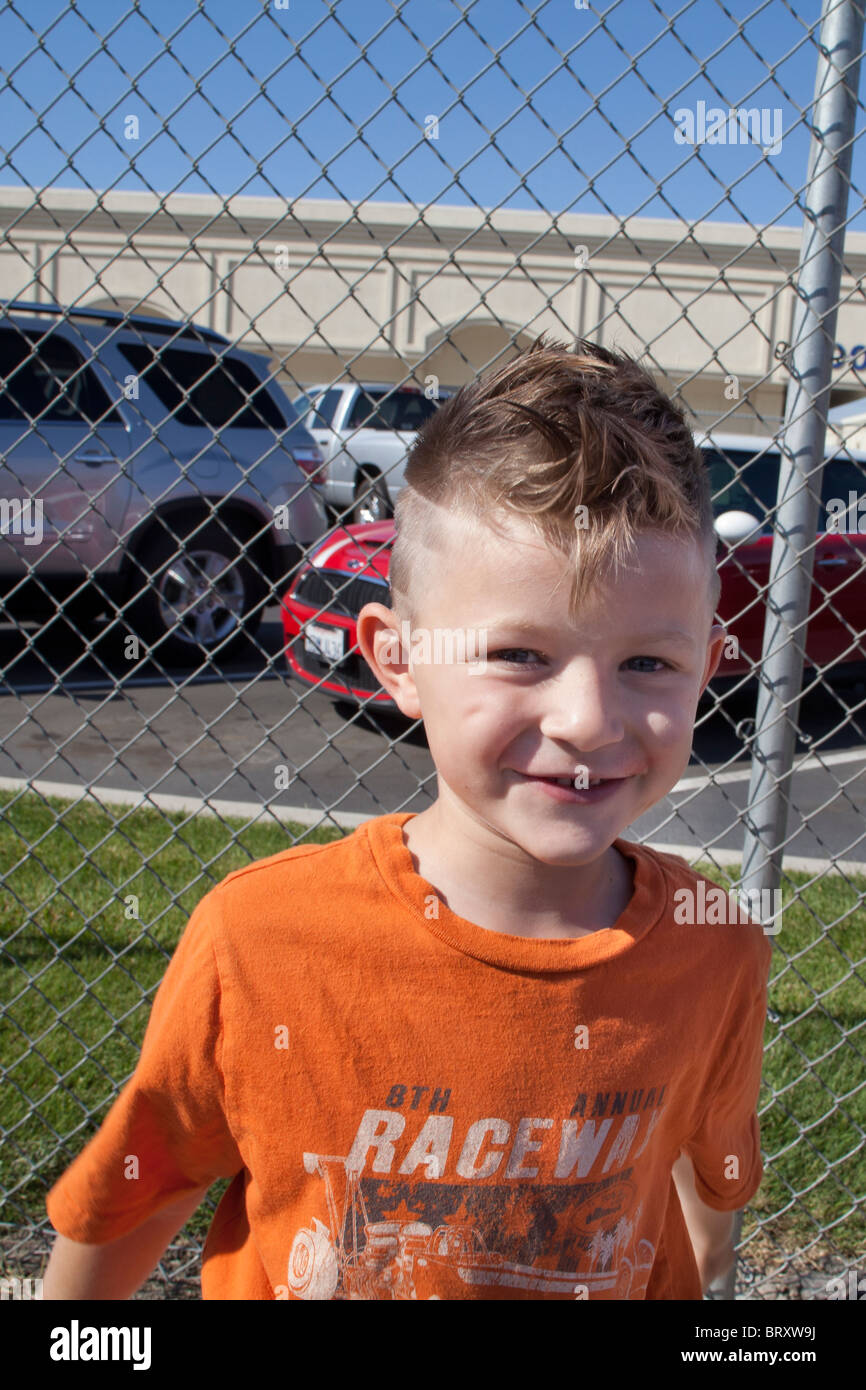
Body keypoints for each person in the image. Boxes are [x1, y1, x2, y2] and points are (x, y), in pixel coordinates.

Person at [43, 337, 772, 1301]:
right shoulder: (260, 938)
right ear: (395, 660)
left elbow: (706, 1201)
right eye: (519, 653)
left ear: (709, 665)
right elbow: (132, 1199)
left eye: (649, 663)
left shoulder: (711, 943)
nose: (589, 720)